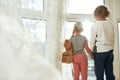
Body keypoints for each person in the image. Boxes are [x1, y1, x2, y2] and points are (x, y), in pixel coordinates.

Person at [90, 5, 115, 80]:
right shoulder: (111, 25)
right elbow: (113, 38)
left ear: (96, 14)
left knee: (99, 73)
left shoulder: (95, 25)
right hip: (110, 51)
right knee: (109, 72)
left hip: (99, 52)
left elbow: (92, 40)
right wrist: (112, 48)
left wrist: (91, 52)